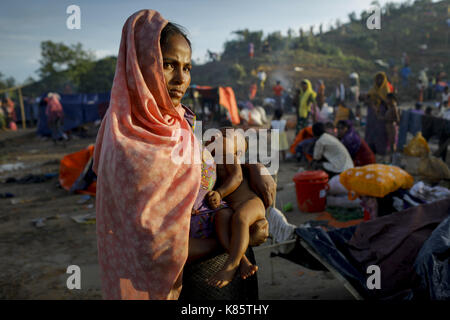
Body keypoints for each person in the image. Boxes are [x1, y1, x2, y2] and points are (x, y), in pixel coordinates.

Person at [92, 10, 275, 300]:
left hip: (230, 272)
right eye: (168, 65)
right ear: (139, 66)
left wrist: (252, 166)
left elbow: (208, 162)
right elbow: (156, 249)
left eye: (187, 68)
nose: (181, 79)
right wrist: (236, 242)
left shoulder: (177, 120)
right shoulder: (127, 145)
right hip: (189, 285)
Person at [204, 128, 267, 288]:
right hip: (230, 207)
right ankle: (242, 261)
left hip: (251, 203)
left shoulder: (230, 159)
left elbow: (237, 177)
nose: (219, 136)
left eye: (225, 136)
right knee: (221, 218)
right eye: (218, 133)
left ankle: (230, 266)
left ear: (237, 152)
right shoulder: (211, 160)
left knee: (241, 218)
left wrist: (219, 192)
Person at [365, 72, 393, 157]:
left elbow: (389, 103)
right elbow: (367, 99)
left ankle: (381, 151)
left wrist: (380, 98)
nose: (379, 81)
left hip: (381, 115)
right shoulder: (372, 89)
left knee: (381, 133)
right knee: (370, 132)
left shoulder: (387, 90)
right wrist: (372, 104)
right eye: (378, 78)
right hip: (372, 115)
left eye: (381, 79)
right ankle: (370, 149)